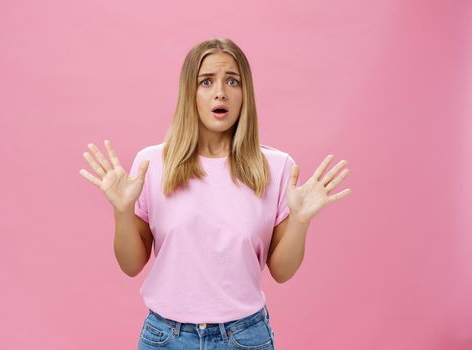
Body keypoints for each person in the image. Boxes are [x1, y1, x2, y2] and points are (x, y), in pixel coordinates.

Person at [79, 37, 351, 350]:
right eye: (206, 81)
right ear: (189, 93)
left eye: (232, 81)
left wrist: (301, 221)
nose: (220, 92)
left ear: (244, 93)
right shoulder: (151, 164)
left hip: (246, 337)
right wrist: (122, 211)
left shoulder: (276, 168)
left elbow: (282, 271)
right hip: (165, 338)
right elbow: (130, 265)